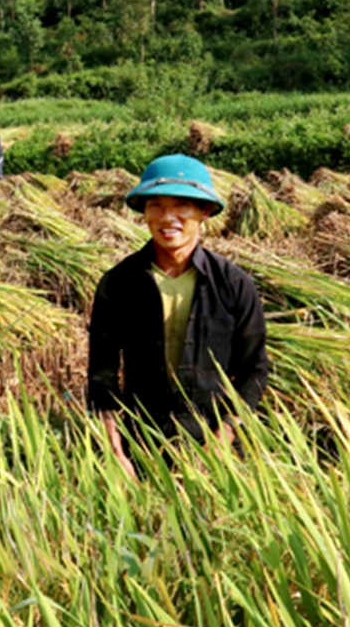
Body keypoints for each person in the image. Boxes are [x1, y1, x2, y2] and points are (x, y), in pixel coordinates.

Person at [88, 154, 268, 480]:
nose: (167, 217)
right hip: (143, 444)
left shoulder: (232, 284)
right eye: (155, 205)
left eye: (182, 205)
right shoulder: (119, 284)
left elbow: (254, 370)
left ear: (205, 211)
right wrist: (115, 452)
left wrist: (221, 441)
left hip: (218, 445)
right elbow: (102, 376)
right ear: (144, 213)